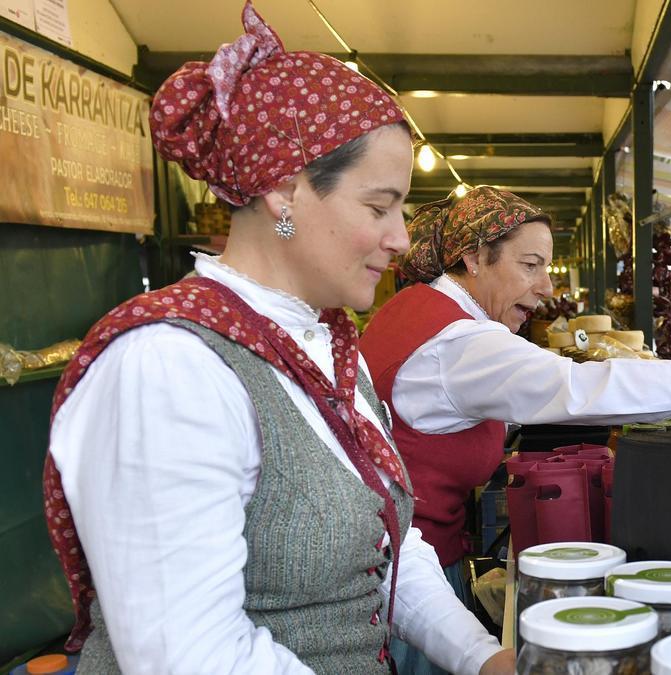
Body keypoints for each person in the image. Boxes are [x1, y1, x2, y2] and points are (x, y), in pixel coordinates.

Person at [43, 5, 515, 675]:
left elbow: (388, 542)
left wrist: (482, 656)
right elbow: (189, 655)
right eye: (379, 206)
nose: (403, 238)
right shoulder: (167, 365)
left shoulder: (326, 344)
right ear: (284, 192)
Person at [358, 187, 671, 661]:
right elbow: (580, 387)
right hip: (409, 592)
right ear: (475, 257)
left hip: (402, 570)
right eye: (530, 265)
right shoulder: (459, 342)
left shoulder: (417, 311)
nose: (546, 287)